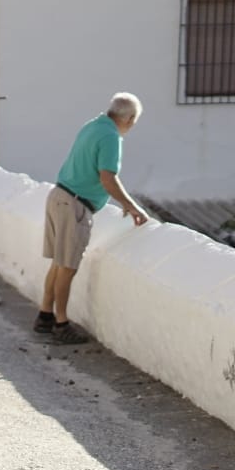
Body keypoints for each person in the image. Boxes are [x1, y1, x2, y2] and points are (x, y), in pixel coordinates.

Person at [37, 92, 149, 345]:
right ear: (129, 119)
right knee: (67, 267)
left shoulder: (94, 124)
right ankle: (61, 323)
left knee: (58, 262)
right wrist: (131, 206)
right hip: (75, 204)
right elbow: (107, 177)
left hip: (60, 195)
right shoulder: (111, 137)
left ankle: (45, 315)